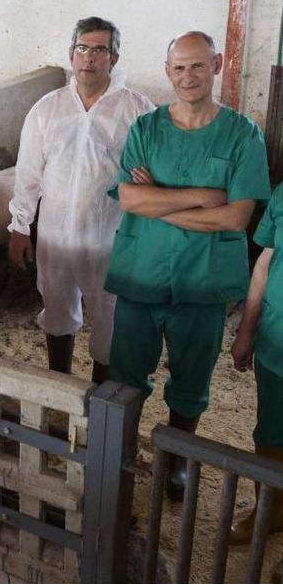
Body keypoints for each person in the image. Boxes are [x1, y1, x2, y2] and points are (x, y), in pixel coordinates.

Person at [104, 31, 271, 501]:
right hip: (142, 272)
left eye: (198, 66)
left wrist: (159, 200)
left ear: (216, 66)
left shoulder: (242, 134)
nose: (188, 76)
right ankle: (119, 457)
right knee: (126, 372)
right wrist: (202, 197)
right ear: (167, 71)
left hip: (204, 281)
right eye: (179, 68)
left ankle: (176, 461)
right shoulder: (146, 128)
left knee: (192, 376)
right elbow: (130, 198)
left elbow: (237, 216)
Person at [7, 16, 154, 382]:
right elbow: (28, 173)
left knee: (109, 315)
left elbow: (152, 172)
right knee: (56, 306)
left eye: (99, 50)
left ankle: (99, 396)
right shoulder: (48, 108)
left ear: (114, 59)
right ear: (71, 55)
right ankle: (60, 384)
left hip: (111, 238)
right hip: (56, 234)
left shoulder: (137, 110)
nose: (89, 58)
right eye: (82, 48)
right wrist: (19, 226)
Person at [229, 183, 283, 545]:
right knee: (269, 431)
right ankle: (270, 510)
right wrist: (246, 330)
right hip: (276, 341)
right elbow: (265, 260)